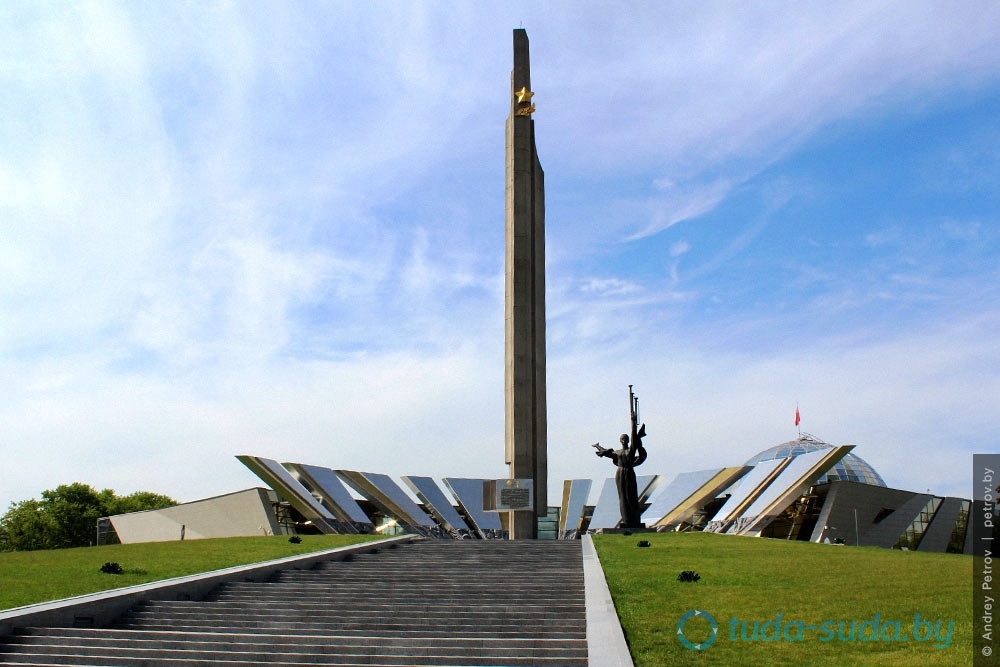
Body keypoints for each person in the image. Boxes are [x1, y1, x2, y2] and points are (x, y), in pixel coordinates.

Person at [594, 431, 647, 528]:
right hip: (620, 474)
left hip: (629, 473)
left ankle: (635, 519)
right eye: (622, 439)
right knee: (623, 497)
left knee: (632, 496)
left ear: (628, 440)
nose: (624, 441)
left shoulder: (630, 450)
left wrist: (635, 430)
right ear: (620, 441)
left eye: (625, 439)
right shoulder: (617, 452)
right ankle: (626, 520)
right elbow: (607, 453)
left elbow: (638, 450)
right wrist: (598, 446)